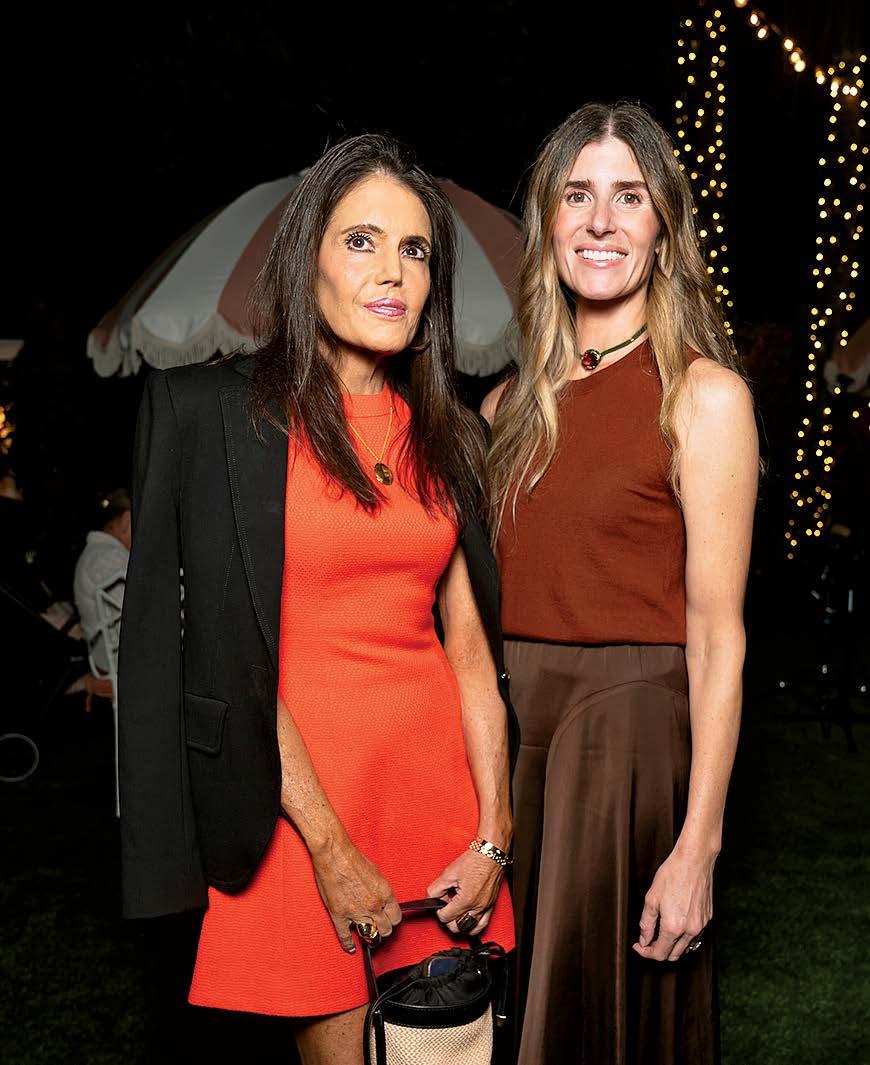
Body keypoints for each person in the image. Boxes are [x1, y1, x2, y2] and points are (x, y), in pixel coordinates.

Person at [119, 133, 516, 1065]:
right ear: (309, 261)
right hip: (296, 818)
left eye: (415, 250)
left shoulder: (453, 436)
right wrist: (332, 849)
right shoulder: (215, 415)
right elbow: (221, 653)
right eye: (361, 240)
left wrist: (494, 833)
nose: (392, 271)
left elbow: (470, 653)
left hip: (440, 815)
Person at [482, 102, 758, 1064]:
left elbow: (718, 638)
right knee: (496, 1011)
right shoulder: (505, 407)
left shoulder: (704, 397)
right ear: (548, 222)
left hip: (624, 738)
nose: (601, 220)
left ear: (664, 226)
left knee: (586, 1021)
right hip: (511, 735)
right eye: (578, 194)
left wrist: (700, 847)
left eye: (630, 197)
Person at [73, 488, 131, 677]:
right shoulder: (107, 557)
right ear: (126, 521)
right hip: (118, 661)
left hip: (113, 656)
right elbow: (141, 615)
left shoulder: (98, 553)